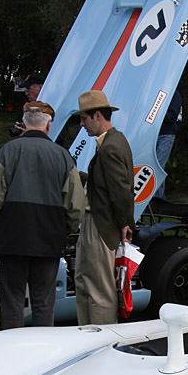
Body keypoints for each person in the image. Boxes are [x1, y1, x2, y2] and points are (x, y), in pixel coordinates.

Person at [0, 101, 86, 330]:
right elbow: (75, 204)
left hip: (11, 238)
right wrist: (65, 229)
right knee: (44, 302)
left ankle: (12, 354)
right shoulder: (63, 157)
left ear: (24, 124)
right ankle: (42, 354)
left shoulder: (5, 152)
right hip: (49, 239)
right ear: (48, 126)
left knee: (12, 301)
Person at [75, 89, 134, 325]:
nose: (82, 124)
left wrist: (124, 224)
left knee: (99, 291)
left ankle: (102, 346)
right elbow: (110, 186)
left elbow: (121, 192)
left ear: (97, 115)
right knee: (86, 283)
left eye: (84, 119)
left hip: (101, 225)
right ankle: (87, 339)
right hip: (99, 223)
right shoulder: (111, 142)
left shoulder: (110, 146)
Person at [154, 90, 182, 200]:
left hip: (166, 134)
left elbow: (173, 116)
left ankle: (158, 198)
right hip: (154, 134)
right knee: (153, 165)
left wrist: (156, 113)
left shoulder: (174, 94)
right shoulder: (157, 92)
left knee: (158, 166)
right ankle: (154, 198)